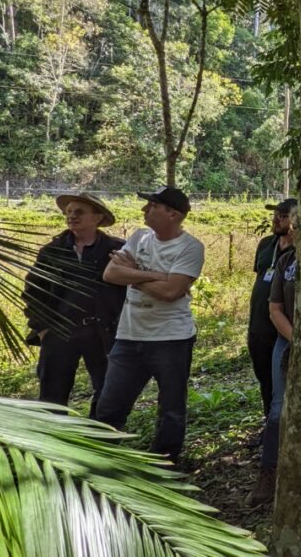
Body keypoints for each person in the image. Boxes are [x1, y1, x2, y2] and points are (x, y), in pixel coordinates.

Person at [96, 186, 205, 463]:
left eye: (152, 206)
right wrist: (157, 275)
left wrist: (132, 274)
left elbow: (171, 293)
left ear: (173, 214)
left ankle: (165, 464)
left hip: (171, 338)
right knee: (109, 405)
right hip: (129, 335)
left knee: (171, 408)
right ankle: (103, 460)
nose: (145, 210)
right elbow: (110, 273)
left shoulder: (191, 247)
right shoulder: (140, 236)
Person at [22, 192, 126, 417]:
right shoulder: (52, 251)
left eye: (79, 212)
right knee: (52, 395)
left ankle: (98, 440)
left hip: (103, 331)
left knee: (107, 390)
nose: (72, 216)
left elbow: (130, 289)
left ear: (97, 218)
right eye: (69, 212)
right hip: (60, 331)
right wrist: (42, 328)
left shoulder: (116, 250)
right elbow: (33, 290)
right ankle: (56, 443)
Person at [245, 204, 299, 506]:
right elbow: (274, 306)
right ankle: (269, 471)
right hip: (279, 336)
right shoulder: (283, 259)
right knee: (277, 406)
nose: (277, 219)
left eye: (283, 215)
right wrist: (294, 339)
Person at [247, 198, 296, 424]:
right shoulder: (266, 244)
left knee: (285, 384)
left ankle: (284, 428)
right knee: (265, 380)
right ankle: (270, 424)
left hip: (284, 329)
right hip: (258, 325)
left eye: (283, 215)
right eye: (275, 214)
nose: (276, 219)